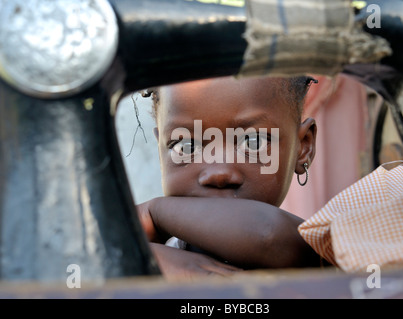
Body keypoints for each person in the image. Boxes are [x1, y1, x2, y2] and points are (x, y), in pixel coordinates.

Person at [136, 75, 331, 280]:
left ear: (303, 147)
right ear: (160, 152)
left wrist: (153, 212)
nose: (218, 173)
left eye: (253, 142)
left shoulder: (318, 252)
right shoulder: (143, 261)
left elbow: (267, 234)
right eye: (186, 147)